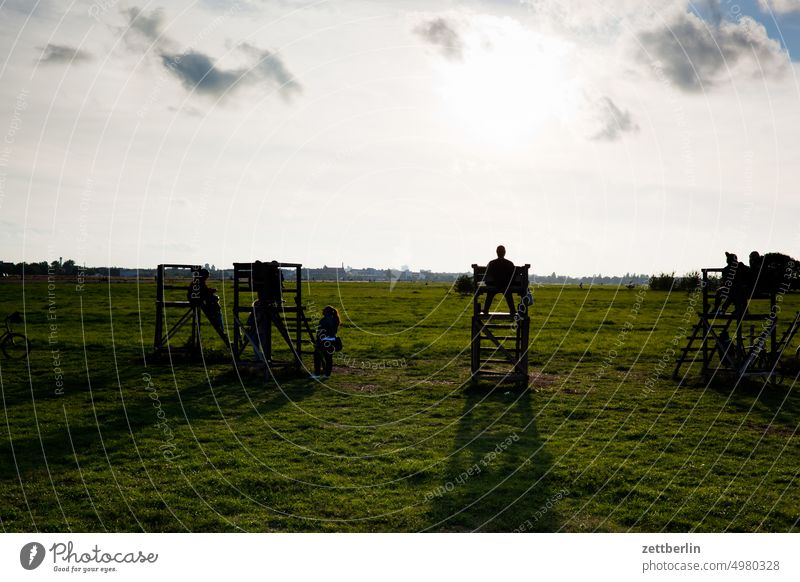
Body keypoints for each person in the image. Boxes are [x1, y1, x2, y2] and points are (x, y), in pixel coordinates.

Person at [187, 268, 229, 344]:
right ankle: (219, 323)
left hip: (195, 300)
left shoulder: (197, 281)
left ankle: (215, 316)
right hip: (197, 301)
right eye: (207, 276)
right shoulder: (200, 282)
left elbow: (204, 291)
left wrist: (210, 291)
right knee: (215, 305)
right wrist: (213, 290)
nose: (207, 278)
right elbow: (204, 291)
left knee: (213, 301)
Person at [482, 245, 516, 315]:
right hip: (506, 286)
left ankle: (486, 309)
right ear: (505, 252)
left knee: (490, 293)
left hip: (493, 285)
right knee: (508, 294)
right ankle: (512, 310)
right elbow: (513, 276)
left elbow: (486, 276)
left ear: (496, 252)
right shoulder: (510, 263)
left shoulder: (491, 263)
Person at [312, 305, 340, 379]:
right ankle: (327, 375)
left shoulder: (323, 320)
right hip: (332, 341)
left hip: (324, 341)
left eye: (323, 310)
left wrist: (317, 341)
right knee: (329, 358)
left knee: (317, 357)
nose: (322, 311)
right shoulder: (335, 319)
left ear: (326, 312)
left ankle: (317, 374)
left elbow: (320, 332)